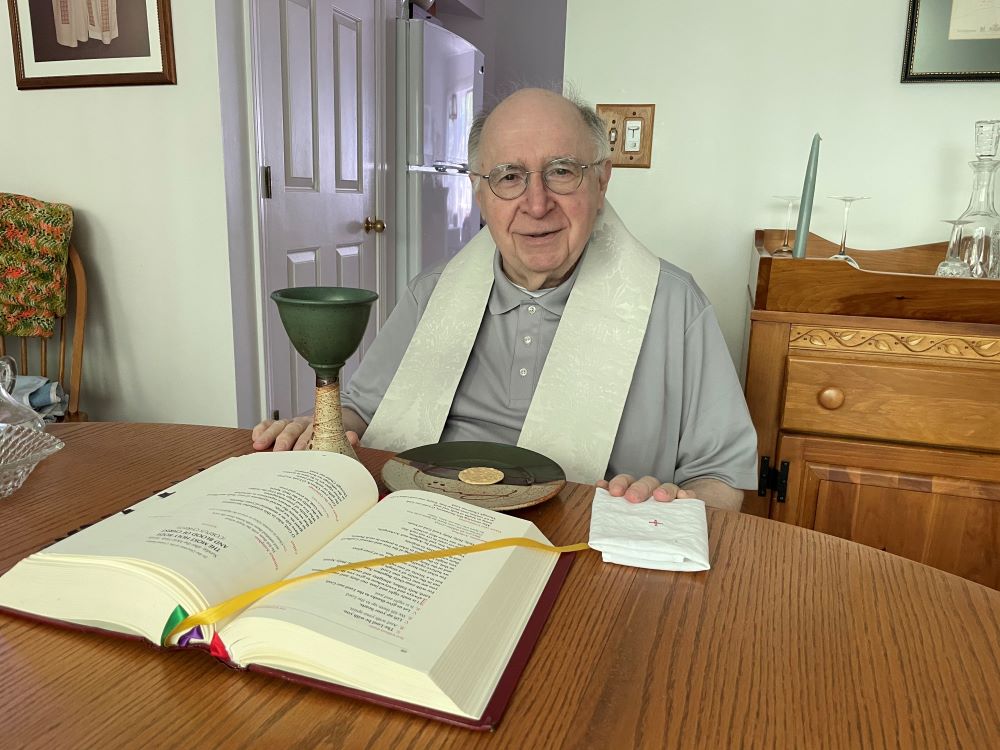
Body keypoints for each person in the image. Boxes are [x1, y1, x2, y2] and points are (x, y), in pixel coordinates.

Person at [252, 88, 757, 511]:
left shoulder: (675, 307)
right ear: (480, 192)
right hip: (424, 522)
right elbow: (364, 410)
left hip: (581, 540)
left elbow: (722, 478)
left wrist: (674, 504)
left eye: (562, 171)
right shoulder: (432, 293)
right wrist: (315, 427)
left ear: (601, 181)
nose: (536, 205)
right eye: (509, 177)